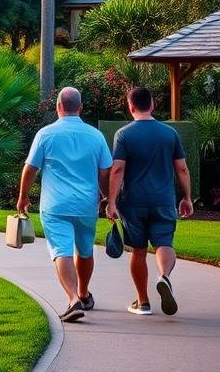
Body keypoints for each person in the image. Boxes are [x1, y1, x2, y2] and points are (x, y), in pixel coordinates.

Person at [17, 86, 113, 323]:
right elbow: (105, 171)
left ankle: (72, 299)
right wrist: (106, 196)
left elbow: (30, 168)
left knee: (62, 251)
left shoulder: (46, 134)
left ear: (58, 107)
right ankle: (83, 292)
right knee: (85, 249)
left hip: (55, 205)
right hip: (85, 204)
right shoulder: (95, 135)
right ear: (80, 108)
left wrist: (23, 196)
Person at [106, 86, 194, 316]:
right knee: (164, 243)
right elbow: (182, 169)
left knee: (138, 250)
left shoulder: (124, 134)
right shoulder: (169, 134)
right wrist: (186, 197)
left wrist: (111, 202)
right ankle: (164, 276)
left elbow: (117, 171)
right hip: (163, 200)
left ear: (130, 106)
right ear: (153, 105)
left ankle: (142, 302)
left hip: (133, 202)